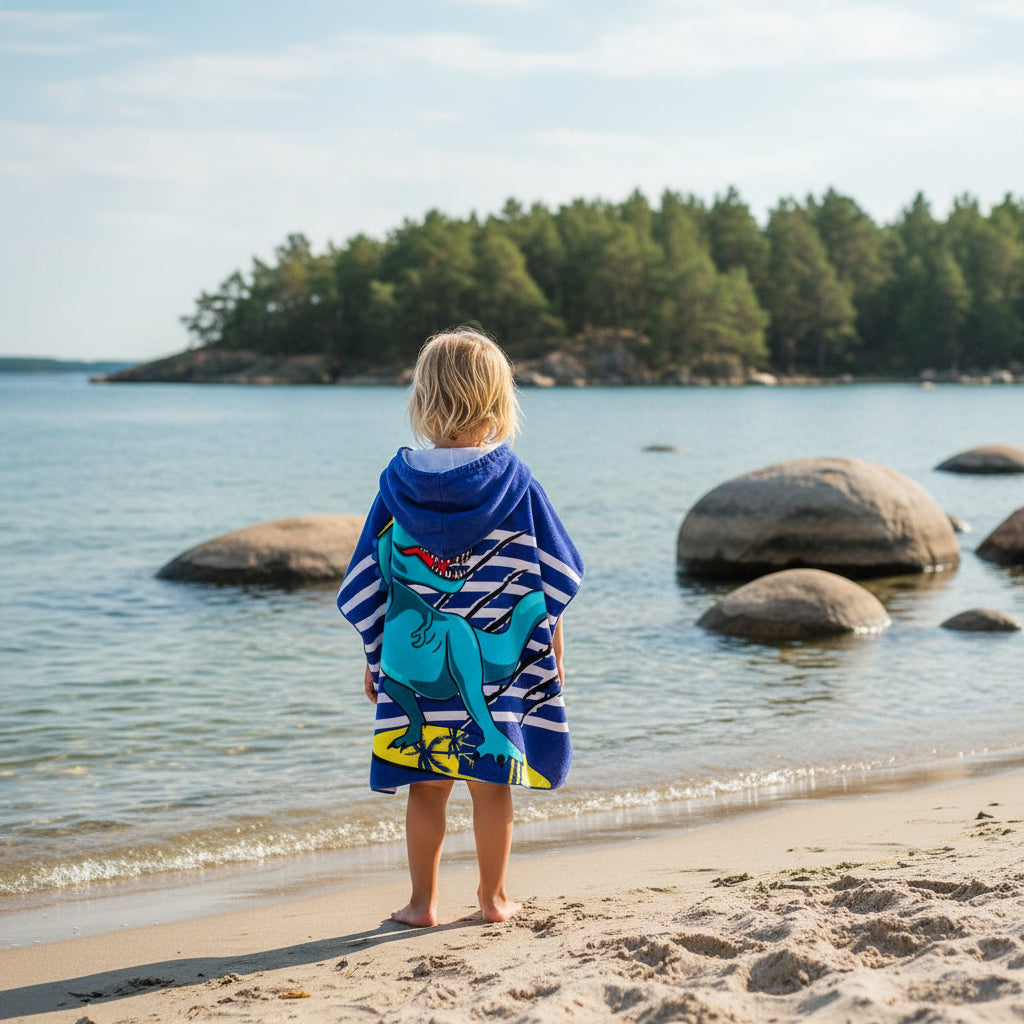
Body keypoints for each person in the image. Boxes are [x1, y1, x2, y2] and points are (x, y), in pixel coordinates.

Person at [337, 327, 584, 927]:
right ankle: (493, 900)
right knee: (489, 782)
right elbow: (552, 576)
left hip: (413, 665)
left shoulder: (397, 487)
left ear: (422, 400)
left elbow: (371, 582)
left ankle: (422, 905)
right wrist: (549, 643)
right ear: (500, 403)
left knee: (426, 783)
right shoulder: (516, 484)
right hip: (485, 677)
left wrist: (376, 658)